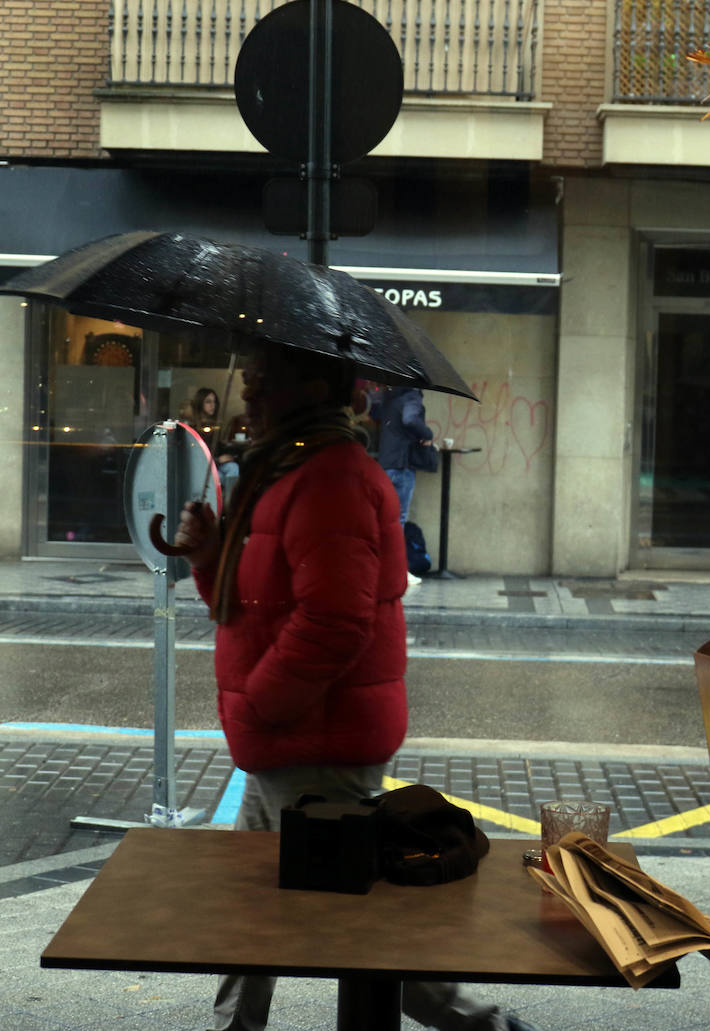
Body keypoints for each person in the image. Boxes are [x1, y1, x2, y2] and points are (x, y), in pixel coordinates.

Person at [173, 339, 538, 1031]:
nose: (249, 390)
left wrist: (261, 705)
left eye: (265, 377)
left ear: (313, 386)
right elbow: (255, 603)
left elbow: (334, 623)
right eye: (251, 375)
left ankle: (486, 1026)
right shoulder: (286, 469)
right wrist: (210, 554)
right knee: (258, 913)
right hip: (288, 745)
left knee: (351, 927)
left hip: (314, 745)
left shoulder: (331, 480)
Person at [377, 385, 436, 586]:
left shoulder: (389, 396)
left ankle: (384, 569)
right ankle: (398, 571)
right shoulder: (411, 394)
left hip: (386, 464)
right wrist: (427, 433)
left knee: (385, 520)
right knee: (398, 520)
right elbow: (410, 419)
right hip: (402, 465)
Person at [186, 386, 242, 490]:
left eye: (214, 402)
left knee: (233, 467)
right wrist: (218, 460)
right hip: (202, 468)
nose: (213, 405)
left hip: (215, 465)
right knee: (220, 477)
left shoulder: (214, 426)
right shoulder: (193, 428)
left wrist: (227, 451)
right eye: (208, 402)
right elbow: (195, 457)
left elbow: (216, 448)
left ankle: (230, 497)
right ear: (200, 404)